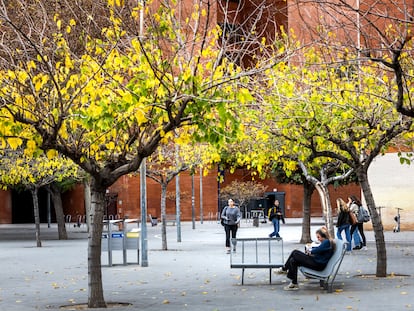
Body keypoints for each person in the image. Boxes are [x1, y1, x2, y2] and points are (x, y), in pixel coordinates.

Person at [275, 226, 335, 291]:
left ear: (323, 236)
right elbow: (319, 249)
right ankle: (294, 283)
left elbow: (317, 250)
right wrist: (311, 250)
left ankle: (284, 269)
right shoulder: (326, 242)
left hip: (318, 264)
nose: (318, 239)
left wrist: (309, 251)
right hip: (317, 261)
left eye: (318, 237)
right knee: (293, 260)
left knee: (295, 252)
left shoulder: (326, 242)